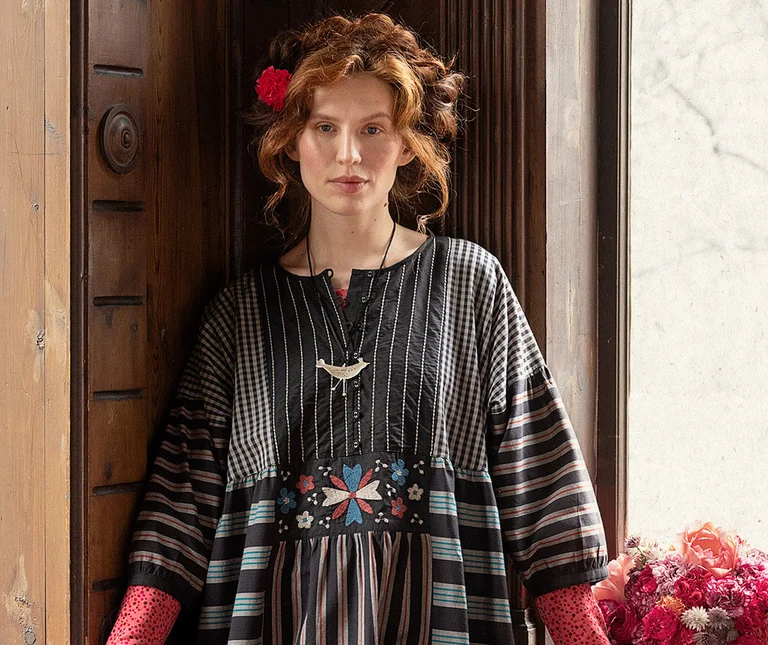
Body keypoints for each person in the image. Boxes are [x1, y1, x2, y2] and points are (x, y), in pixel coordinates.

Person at [107, 12, 612, 645]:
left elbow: (543, 489)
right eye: (325, 127)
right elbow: (178, 516)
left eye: (373, 128)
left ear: (407, 143)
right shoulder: (237, 316)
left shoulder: (471, 285)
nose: (349, 154)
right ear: (291, 141)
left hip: (443, 620)